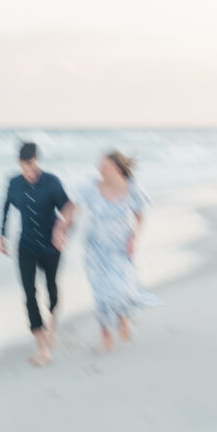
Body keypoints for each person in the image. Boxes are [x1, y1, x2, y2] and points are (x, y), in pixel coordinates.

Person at [53, 150, 160, 352]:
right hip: (95, 249)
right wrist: (60, 230)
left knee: (122, 289)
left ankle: (122, 317)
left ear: (117, 169)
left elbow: (140, 216)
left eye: (105, 167)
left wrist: (134, 238)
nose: (100, 170)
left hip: (120, 249)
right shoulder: (91, 187)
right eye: (100, 166)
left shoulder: (132, 189)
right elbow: (70, 209)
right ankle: (106, 335)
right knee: (101, 294)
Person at [0, 142, 72, 366]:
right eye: (24, 168)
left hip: (51, 246)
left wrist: (62, 232)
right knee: (29, 293)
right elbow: (6, 206)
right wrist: (2, 234)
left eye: (31, 167)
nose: (28, 173)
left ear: (37, 159)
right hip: (27, 245)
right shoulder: (14, 183)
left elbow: (69, 208)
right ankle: (42, 348)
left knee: (51, 288)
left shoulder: (52, 182)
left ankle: (52, 326)